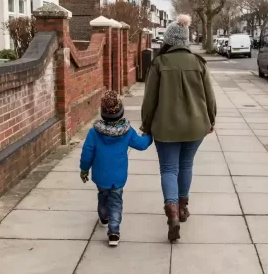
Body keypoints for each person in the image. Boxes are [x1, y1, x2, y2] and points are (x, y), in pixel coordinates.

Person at [141, 14, 217, 242]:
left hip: (165, 127)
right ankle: (183, 208)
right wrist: (211, 119)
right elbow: (209, 97)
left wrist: (146, 124)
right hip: (195, 126)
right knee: (186, 165)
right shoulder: (198, 63)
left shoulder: (159, 64)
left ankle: (171, 211)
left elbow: (149, 100)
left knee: (168, 169)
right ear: (185, 40)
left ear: (168, 41)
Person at [80, 90, 152, 246]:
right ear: (121, 112)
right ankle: (114, 232)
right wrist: (149, 134)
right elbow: (141, 144)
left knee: (102, 196)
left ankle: (104, 217)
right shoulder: (127, 132)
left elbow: (87, 152)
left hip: (100, 175)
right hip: (118, 177)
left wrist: (84, 169)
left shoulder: (94, 132)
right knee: (116, 202)